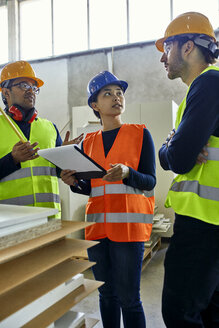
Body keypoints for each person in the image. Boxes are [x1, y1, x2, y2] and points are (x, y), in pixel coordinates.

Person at [61, 70, 156, 328]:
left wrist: (128, 173)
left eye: (119, 93)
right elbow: (89, 187)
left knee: (129, 298)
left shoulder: (140, 134)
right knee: (106, 294)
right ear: (95, 105)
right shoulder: (88, 142)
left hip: (128, 230)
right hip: (96, 230)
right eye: (108, 94)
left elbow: (150, 181)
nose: (116, 97)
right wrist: (73, 183)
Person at [155, 12, 219, 328]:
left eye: (167, 48)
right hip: (211, 223)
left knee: (179, 312)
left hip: (204, 223)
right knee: (210, 311)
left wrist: (168, 146)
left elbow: (177, 158)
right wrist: (178, 146)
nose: (163, 59)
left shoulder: (208, 83)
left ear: (188, 47)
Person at [0, 60, 83, 218]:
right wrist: (12, 159)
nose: (30, 91)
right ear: (6, 92)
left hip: (49, 220)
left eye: (34, 87)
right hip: (9, 223)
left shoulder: (50, 128)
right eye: (23, 85)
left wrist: (65, 156)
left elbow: (58, 173)